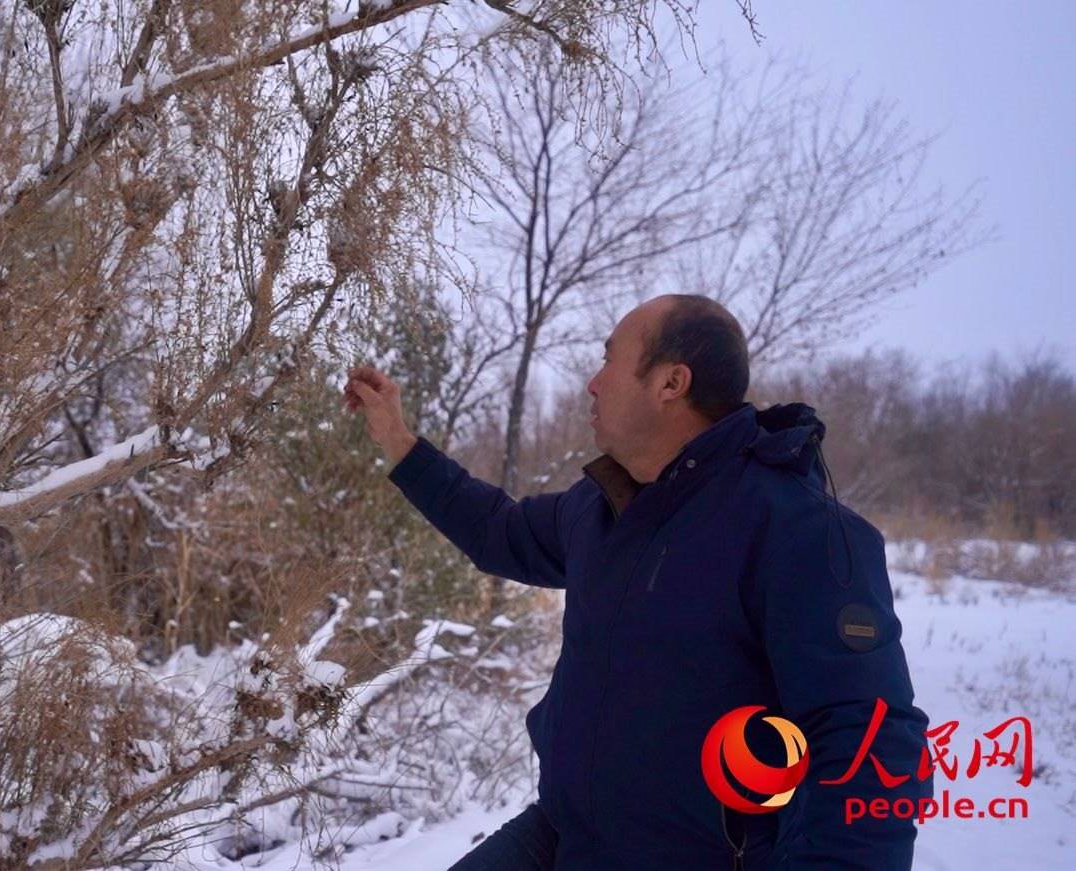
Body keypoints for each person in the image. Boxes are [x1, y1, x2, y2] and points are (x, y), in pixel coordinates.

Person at [342, 294, 932, 870]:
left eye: (609, 360)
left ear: (670, 382)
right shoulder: (603, 506)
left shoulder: (800, 531)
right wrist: (399, 442)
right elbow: (501, 531)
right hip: (563, 834)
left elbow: (869, 743)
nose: (593, 383)